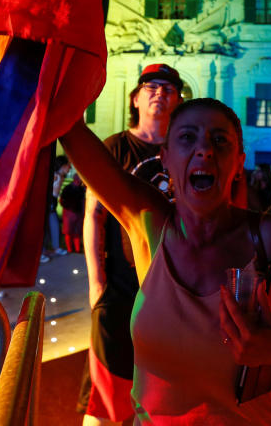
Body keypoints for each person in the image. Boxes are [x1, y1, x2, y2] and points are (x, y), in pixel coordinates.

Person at [62, 97, 271, 424]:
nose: (204, 150)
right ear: (165, 158)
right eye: (187, 137)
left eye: (219, 140)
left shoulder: (269, 236)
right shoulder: (149, 224)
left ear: (239, 162)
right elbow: (72, 130)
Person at [79, 63, 183, 425]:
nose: (160, 93)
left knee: (162, 391)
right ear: (135, 99)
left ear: (179, 100)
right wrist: (96, 282)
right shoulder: (116, 147)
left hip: (173, 291)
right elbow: (93, 215)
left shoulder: (184, 150)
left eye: (169, 89)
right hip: (122, 288)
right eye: (151, 87)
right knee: (107, 395)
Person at [60, 170, 86, 253]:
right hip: (69, 213)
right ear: (75, 179)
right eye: (78, 179)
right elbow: (61, 200)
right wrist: (67, 208)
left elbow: (83, 201)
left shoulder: (81, 189)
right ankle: (69, 249)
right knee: (68, 232)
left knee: (77, 233)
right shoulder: (68, 188)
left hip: (78, 213)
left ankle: (77, 249)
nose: (79, 181)